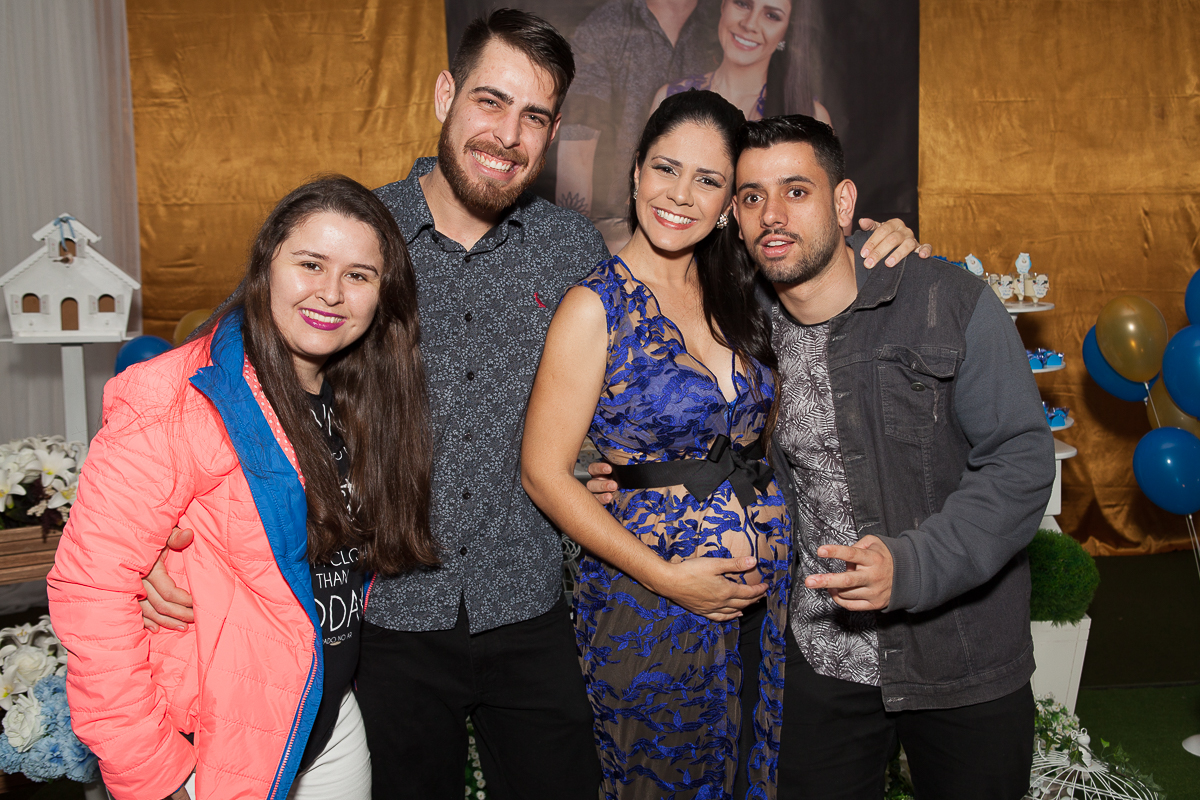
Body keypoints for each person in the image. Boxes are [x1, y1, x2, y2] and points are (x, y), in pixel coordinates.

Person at [138, 11, 925, 800]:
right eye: (490, 101)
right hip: (393, 616)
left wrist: (883, 243)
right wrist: (165, 535)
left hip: (531, 604)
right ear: (446, 95)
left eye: (534, 117)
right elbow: (214, 372)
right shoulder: (362, 234)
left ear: (552, 135)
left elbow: (631, 383)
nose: (507, 134)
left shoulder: (569, 248)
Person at [47, 175, 435, 800]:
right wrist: (153, 775)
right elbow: (91, 590)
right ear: (266, 263)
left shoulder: (360, 395)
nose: (331, 293)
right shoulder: (176, 395)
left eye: (359, 276)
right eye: (310, 264)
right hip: (222, 740)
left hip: (329, 719)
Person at [730, 115, 1055, 799]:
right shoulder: (742, 326)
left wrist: (910, 566)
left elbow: (1021, 463)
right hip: (821, 655)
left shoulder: (946, 301)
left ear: (844, 203)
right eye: (753, 196)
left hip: (959, 656)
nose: (773, 215)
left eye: (796, 190)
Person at [524, 89, 789, 799]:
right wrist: (667, 578)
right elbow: (544, 474)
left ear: (732, 199)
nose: (681, 195)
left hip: (764, 612)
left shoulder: (741, 290)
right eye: (666, 169)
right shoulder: (595, 307)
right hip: (648, 608)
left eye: (708, 180)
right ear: (636, 172)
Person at [556, 0, 722, 253]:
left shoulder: (719, 28)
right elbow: (576, 149)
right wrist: (579, 250)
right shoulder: (608, 24)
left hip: (699, 244)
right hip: (610, 237)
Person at [650, 0, 830, 125]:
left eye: (772, 16)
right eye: (743, 4)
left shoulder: (811, 115)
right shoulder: (668, 99)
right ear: (723, 5)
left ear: (786, 32)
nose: (749, 24)